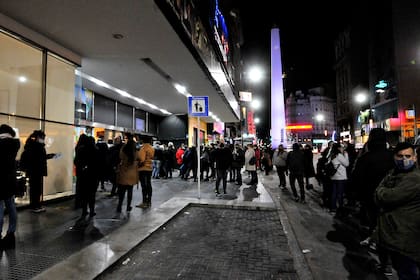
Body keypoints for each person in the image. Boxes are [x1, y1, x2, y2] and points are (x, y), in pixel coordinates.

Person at [372, 142, 420, 279]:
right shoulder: (395, 173)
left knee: (407, 273)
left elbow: (386, 197)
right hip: (398, 235)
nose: (404, 159)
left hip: (407, 237)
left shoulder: (414, 179)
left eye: (408, 156)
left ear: (415, 158)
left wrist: (380, 191)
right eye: (400, 156)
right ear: (394, 157)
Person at [20, 130, 55, 213]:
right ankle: (35, 206)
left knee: (36, 189)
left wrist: (50, 156)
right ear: (38, 137)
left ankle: (36, 205)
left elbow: (40, 157)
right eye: (42, 137)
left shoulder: (34, 145)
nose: (43, 139)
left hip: (36, 170)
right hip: (35, 171)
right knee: (35, 189)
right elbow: (36, 159)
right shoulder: (34, 146)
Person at [0, 124, 20, 250]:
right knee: (11, 207)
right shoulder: (15, 145)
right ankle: (11, 234)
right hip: (10, 182)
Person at [74, 135, 100, 218]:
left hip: (83, 176)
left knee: (84, 194)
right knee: (92, 194)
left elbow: (76, 161)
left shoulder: (81, 150)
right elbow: (98, 164)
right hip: (93, 176)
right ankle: (92, 211)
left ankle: (84, 211)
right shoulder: (96, 150)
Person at [116, 133, 138, 214]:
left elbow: (120, 157)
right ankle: (128, 206)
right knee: (130, 191)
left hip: (124, 171)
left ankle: (119, 206)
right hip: (132, 172)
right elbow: (138, 158)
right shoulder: (135, 149)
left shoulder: (124, 148)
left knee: (121, 190)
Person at [327, 143, 349, 214]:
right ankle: (340, 208)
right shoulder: (339, 155)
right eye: (341, 147)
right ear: (338, 148)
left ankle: (333, 208)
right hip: (340, 178)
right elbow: (347, 164)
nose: (342, 148)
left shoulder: (331, 155)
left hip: (333, 177)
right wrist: (346, 154)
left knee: (334, 193)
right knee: (340, 193)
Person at [137, 137, 155, 208]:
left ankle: (144, 202)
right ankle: (149, 201)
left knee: (144, 186)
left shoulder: (143, 148)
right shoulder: (152, 148)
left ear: (142, 140)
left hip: (143, 169)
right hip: (149, 168)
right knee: (149, 185)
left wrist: (138, 165)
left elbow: (142, 159)